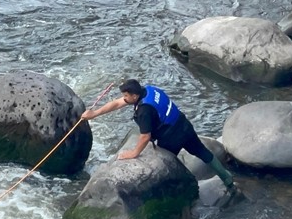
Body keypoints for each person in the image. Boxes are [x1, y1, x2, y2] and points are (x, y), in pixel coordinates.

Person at [81, 79, 237, 191]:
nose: (124, 99)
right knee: (203, 152)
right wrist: (94, 114)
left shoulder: (144, 111)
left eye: (126, 96)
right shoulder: (149, 90)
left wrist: (134, 153)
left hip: (170, 138)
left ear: (134, 96)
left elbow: (145, 137)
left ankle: (182, 189)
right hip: (183, 125)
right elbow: (116, 103)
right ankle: (227, 179)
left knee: (168, 165)